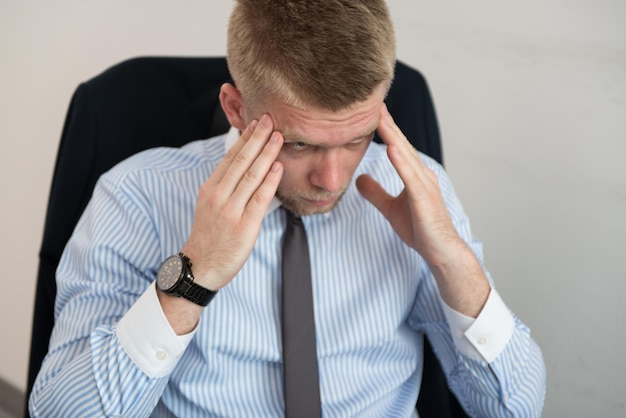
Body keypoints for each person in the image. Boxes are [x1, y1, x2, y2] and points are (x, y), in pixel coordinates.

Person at [29, 0, 546, 417]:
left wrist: (452, 260)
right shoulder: (137, 195)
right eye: (299, 144)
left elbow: (515, 407)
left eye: (358, 138)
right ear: (236, 108)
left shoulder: (412, 189)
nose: (332, 178)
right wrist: (194, 273)